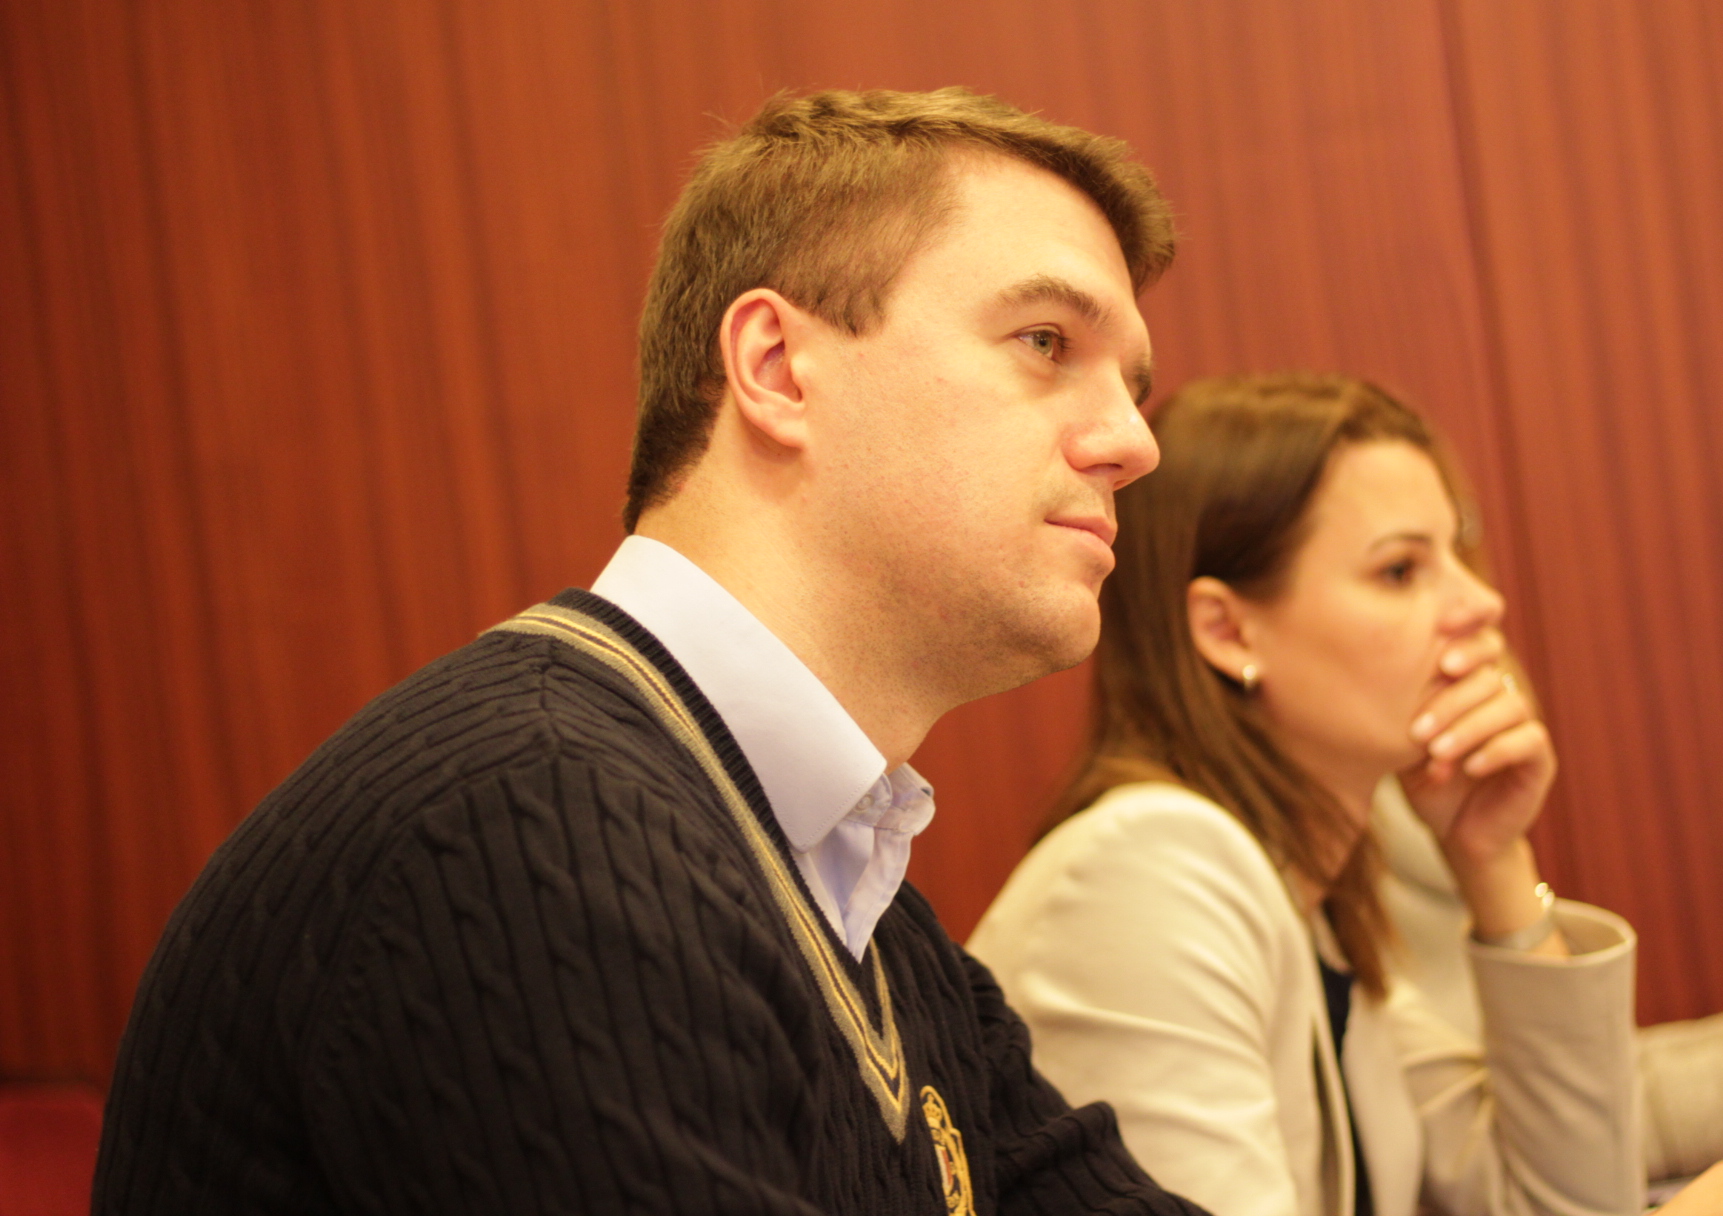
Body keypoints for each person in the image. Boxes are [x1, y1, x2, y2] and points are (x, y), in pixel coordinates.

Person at [92, 88, 1210, 1216]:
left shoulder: (858, 901)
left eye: (1132, 386)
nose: (1133, 442)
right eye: (1045, 343)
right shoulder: (526, 829)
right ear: (777, 367)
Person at [967, 373, 1723, 1216]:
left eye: (1458, 554)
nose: (1480, 606)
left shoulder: (1326, 910)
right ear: (1227, 631)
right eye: (1401, 570)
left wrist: (1495, 864)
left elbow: (1565, 1201)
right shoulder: (1151, 870)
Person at [1374, 776, 1723, 1179]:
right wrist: (1714, 1103)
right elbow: (1497, 1150)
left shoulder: (1446, 831)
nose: (1477, 618)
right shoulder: (1375, 873)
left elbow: (1523, 1078)